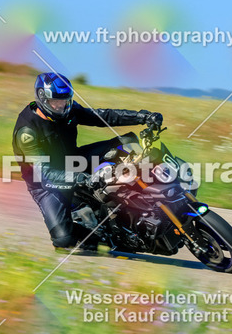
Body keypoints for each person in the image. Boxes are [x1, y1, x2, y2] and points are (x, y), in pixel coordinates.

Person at [12, 72, 163, 251]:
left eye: (65, 100)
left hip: (74, 160)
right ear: (43, 99)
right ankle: (102, 235)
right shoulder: (27, 132)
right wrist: (81, 178)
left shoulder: (68, 109)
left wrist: (141, 117)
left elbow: (102, 117)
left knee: (126, 142)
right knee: (64, 240)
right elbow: (44, 173)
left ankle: (148, 193)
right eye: (56, 101)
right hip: (46, 185)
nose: (61, 105)